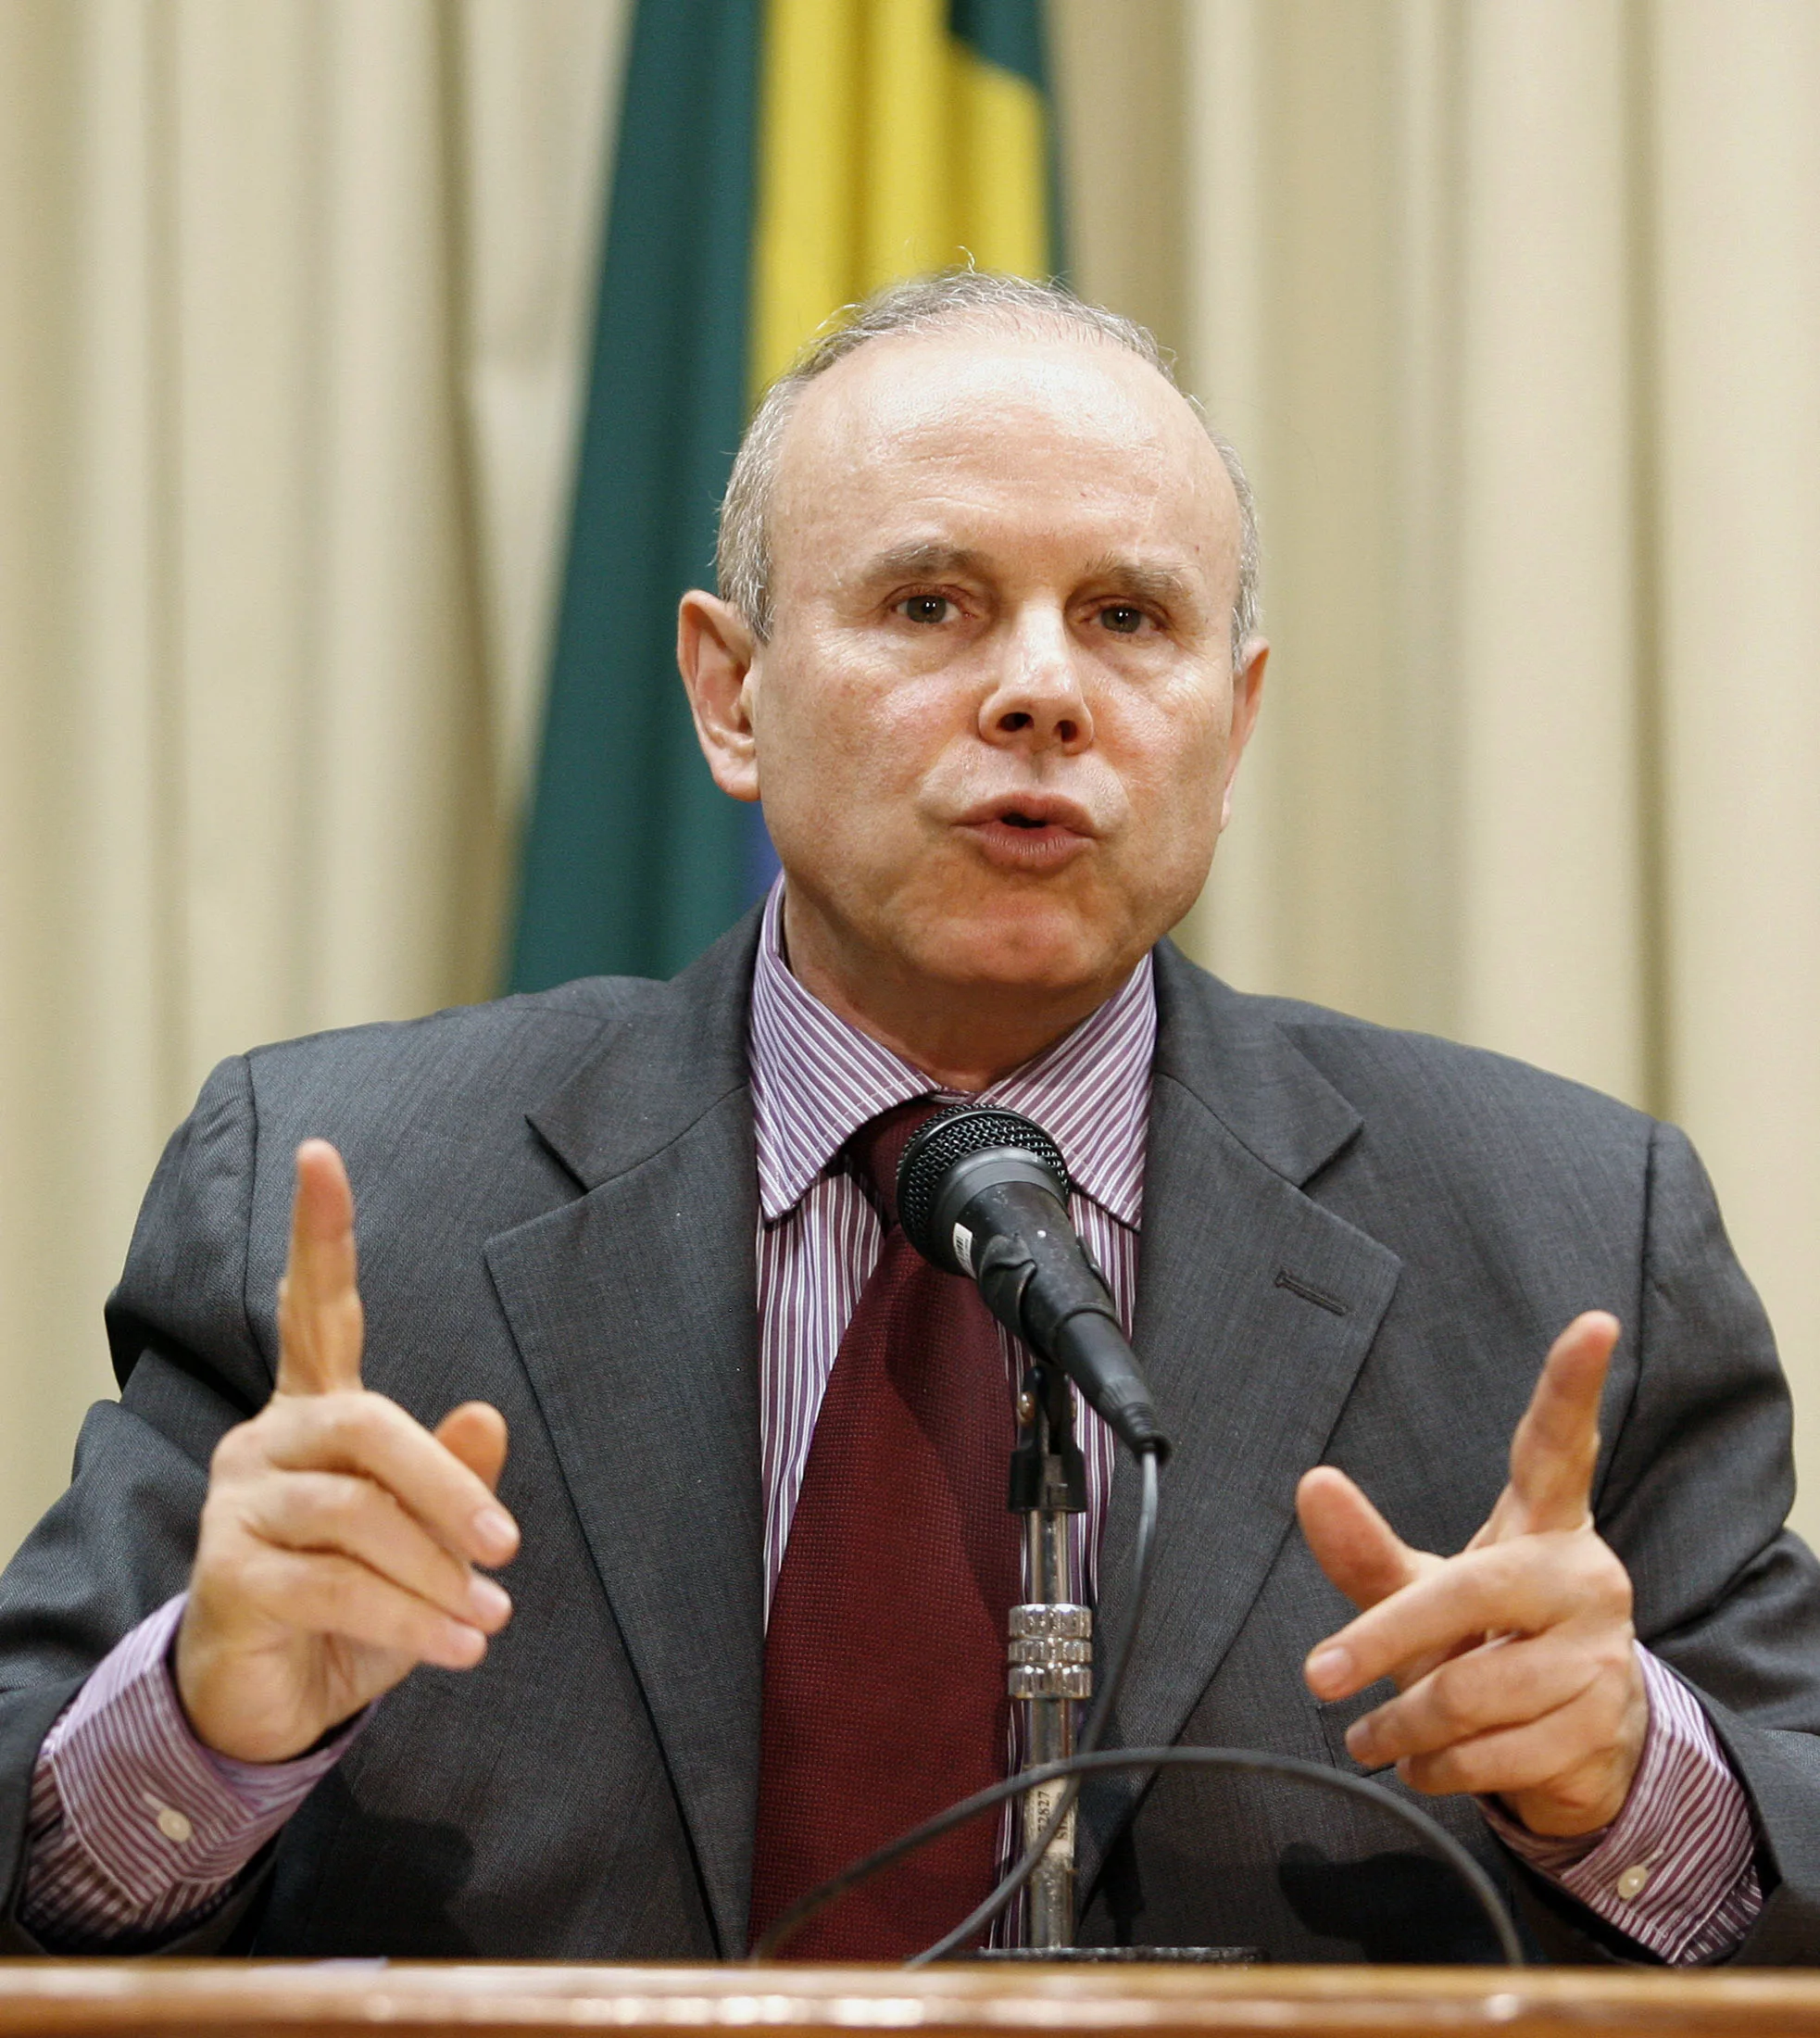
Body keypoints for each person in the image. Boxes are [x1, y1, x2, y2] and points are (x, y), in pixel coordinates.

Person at [1, 271, 1816, 1966]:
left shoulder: (1568, 1230)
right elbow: (39, 1836)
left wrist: (1625, 1778)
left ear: (1230, 722)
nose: (1040, 688)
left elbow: (1787, 1841)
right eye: (930, 602)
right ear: (730, 692)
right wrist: (209, 1722)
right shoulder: (344, 1194)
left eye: (1127, 617)